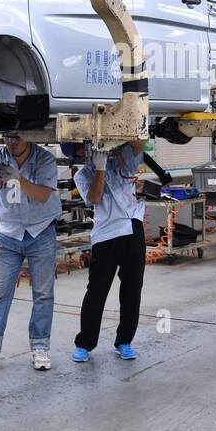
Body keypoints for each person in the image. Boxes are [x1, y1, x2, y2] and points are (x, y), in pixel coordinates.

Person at [0, 134, 63, 374]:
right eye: (7, 137)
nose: (11, 142)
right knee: (0, 293)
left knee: (43, 293)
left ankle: (40, 346)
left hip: (40, 231)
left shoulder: (44, 159)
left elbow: (44, 195)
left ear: (29, 136)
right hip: (9, 233)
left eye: (17, 137)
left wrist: (19, 179)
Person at [66, 141, 148, 363]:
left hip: (133, 228)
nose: (88, 152)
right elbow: (94, 198)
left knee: (132, 290)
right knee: (97, 291)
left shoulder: (122, 159)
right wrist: (100, 169)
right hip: (106, 234)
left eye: (88, 146)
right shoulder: (82, 175)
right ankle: (85, 343)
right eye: (82, 150)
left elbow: (140, 144)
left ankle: (124, 341)